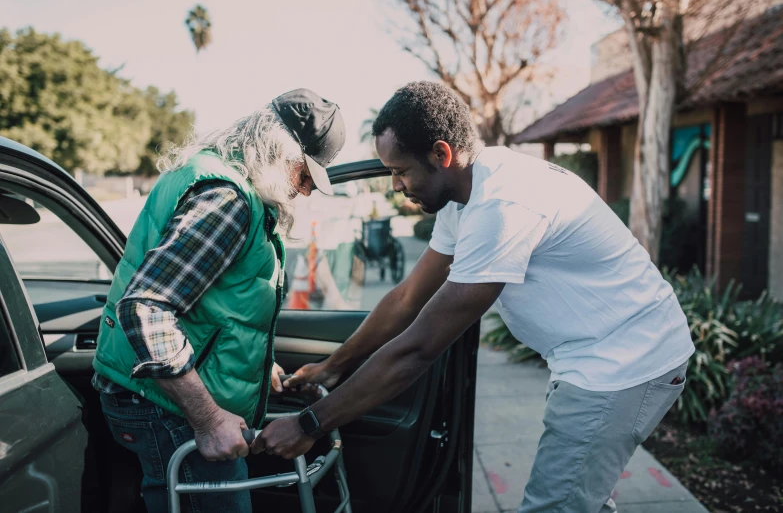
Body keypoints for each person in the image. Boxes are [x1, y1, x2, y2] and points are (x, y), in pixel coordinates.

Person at [257, 81, 695, 513]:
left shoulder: (502, 205)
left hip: (626, 363)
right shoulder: (465, 195)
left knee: (554, 505)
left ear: (442, 154)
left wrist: (309, 424)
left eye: (400, 170)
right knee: (579, 496)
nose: (395, 185)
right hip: (592, 356)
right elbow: (409, 297)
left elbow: (419, 348)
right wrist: (334, 367)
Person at [92, 88, 345, 513]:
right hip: (165, 406)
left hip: (149, 392)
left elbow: (210, 303)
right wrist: (208, 420)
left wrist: (254, 365)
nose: (304, 191)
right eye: (305, 174)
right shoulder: (228, 200)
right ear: (277, 151)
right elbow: (147, 308)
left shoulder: (209, 176)